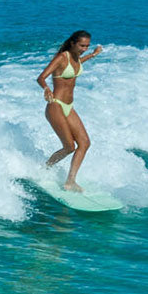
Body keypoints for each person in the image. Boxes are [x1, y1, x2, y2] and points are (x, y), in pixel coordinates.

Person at [37, 30, 103, 192]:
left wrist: (93, 55)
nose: (84, 48)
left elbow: (79, 62)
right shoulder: (62, 57)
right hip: (56, 105)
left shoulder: (75, 58)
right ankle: (45, 169)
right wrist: (46, 88)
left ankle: (70, 181)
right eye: (82, 45)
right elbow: (41, 77)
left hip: (69, 106)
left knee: (85, 143)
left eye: (87, 46)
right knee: (69, 147)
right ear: (73, 43)